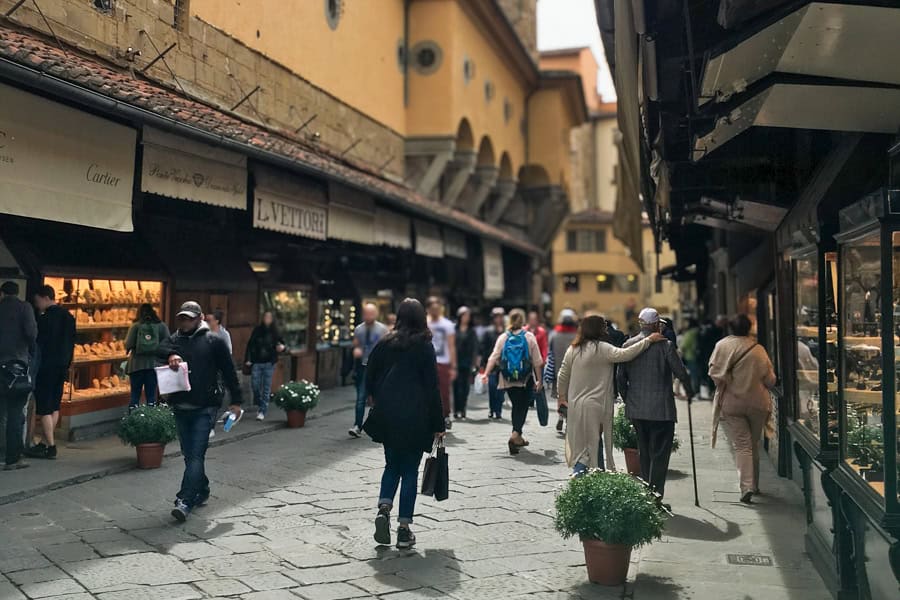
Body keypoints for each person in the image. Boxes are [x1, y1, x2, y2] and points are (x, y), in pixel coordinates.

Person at [365, 298, 445, 549]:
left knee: (392, 465)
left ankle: (384, 506)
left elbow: (369, 375)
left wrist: (378, 397)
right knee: (410, 471)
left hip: (389, 415)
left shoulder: (385, 342)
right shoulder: (424, 346)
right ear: (421, 318)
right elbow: (432, 387)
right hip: (416, 417)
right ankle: (403, 529)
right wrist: (438, 422)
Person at [162, 301, 242, 522]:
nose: (185, 322)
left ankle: (185, 500)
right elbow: (159, 349)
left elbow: (229, 371)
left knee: (196, 454)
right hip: (180, 406)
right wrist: (170, 355)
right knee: (190, 456)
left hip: (205, 407)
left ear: (199, 318)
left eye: (189, 318)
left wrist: (236, 401)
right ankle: (203, 488)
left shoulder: (213, 341)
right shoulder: (175, 339)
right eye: (182, 318)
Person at [557, 316, 664, 474]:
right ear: (597, 329)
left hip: (576, 406)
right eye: (604, 326)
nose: (606, 329)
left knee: (581, 446)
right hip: (597, 406)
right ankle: (588, 478)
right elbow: (626, 354)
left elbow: (562, 376)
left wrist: (561, 397)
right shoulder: (603, 348)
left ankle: (589, 476)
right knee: (592, 445)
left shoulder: (573, 350)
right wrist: (648, 341)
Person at [617, 308, 693, 504]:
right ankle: (655, 497)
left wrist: (628, 399)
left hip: (638, 409)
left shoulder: (628, 344)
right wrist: (689, 391)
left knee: (644, 451)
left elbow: (620, 378)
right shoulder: (666, 346)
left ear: (641, 323)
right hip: (662, 410)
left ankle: (646, 493)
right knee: (660, 454)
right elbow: (681, 372)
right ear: (657, 324)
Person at [709, 314, 776, 505]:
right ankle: (754, 485)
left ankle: (746, 486)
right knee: (753, 443)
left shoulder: (722, 345)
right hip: (757, 403)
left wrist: (729, 381)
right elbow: (771, 380)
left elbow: (714, 374)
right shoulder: (759, 350)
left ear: (731, 328)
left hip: (732, 402)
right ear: (749, 328)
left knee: (742, 445)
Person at [482, 309, 544, 455]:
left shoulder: (503, 337)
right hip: (525, 379)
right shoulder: (529, 337)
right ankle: (515, 434)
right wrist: (539, 380)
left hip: (508, 379)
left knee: (517, 405)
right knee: (521, 407)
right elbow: (537, 361)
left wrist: (486, 373)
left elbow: (493, 356)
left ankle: (518, 437)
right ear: (523, 321)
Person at [26, 285, 75, 460]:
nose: (36, 304)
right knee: (55, 406)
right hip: (62, 367)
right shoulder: (69, 317)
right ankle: (46, 443)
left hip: (46, 367)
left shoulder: (44, 319)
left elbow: (36, 342)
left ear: (45, 297)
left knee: (44, 407)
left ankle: (51, 447)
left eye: (37, 300)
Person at [0, 282, 37, 471]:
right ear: (17, 292)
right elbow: (32, 333)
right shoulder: (25, 308)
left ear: (2, 293)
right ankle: (12, 458)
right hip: (15, 367)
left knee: (1, 412)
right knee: (15, 413)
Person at [349, 303, 389, 438]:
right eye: (366, 313)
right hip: (364, 367)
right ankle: (357, 425)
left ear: (376, 314)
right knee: (361, 397)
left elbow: (388, 347)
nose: (368, 316)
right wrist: (356, 350)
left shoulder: (382, 329)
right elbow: (355, 344)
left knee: (379, 398)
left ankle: (380, 424)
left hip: (378, 367)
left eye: (371, 313)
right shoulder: (359, 329)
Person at [124, 304, 170, 410]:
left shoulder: (136, 325)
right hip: (153, 365)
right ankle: (150, 422)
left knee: (135, 396)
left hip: (136, 365)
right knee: (151, 396)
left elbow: (128, 344)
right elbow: (168, 343)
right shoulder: (161, 326)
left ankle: (133, 422)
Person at [244, 311, 285, 421]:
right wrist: (248, 359)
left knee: (266, 387)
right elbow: (250, 344)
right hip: (257, 361)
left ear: (272, 319)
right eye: (265, 317)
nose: (267, 319)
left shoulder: (275, 332)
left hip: (269, 362)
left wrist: (281, 348)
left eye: (269, 317)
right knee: (255, 385)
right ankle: (260, 402)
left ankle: (262, 410)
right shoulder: (257, 330)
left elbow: (282, 344)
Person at [426, 297, 456, 430]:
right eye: (432, 308)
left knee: (444, 390)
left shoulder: (447, 325)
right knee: (428, 390)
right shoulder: (424, 323)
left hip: (443, 361)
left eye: (437, 308)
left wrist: (453, 366)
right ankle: (430, 416)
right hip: (427, 361)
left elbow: (451, 345)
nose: (435, 310)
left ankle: (446, 415)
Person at [548, 309, 578, 433]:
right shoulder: (577, 335)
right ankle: (569, 421)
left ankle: (561, 416)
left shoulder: (554, 335)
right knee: (572, 398)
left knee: (561, 396)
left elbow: (550, 353)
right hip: (574, 372)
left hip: (558, 371)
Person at [453, 306, 479, 420]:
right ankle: (456, 409)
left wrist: (475, 362)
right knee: (456, 387)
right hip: (455, 361)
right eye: (464, 315)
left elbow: (475, 347)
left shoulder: (472, 331)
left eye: (468, 316)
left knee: (465, 387)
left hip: (467, 362)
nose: (466, 318)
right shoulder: (454, 329)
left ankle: (462, 408)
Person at [480, 307, 507, 419]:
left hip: (503, 365)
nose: (499, 319)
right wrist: (482, 364)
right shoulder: (488, 332)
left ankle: (499, 410)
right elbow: (483, 348)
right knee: (492, 388)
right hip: (490, 364)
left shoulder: (507, 332)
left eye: (501, 316)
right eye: (497, 316)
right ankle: (492, 409)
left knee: (501, 390)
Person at [679, 319, 700, 397]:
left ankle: (694, 391)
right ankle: (698, 391)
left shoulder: (689, 333)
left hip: (690, 356)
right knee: (698, 374)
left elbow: (684, 346)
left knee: (693, 375)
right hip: (700, 356)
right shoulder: (699, 331)